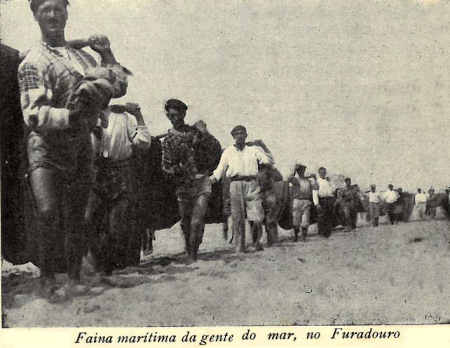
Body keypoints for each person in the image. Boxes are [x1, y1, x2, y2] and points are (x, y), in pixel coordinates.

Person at [18, 0, 128, 301]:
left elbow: (118, 87)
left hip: (80, 145)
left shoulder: (82, 57)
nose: (53, 15)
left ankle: (75, 278)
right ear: (35, 15)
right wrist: (73, 116)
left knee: (77, 215)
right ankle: (47, 279)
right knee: (48, 212)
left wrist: (106, 54)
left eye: (58, 8)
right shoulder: (33, 61)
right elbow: (34, 113)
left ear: (67, 11)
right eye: (45, 9)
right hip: (46, 146)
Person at [85, 102, 150, 275]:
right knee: (89, 219)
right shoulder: (88, 115)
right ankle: (97, 264)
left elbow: (143, 142)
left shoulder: (123, 118)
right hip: (95, 172)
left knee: (117, 223)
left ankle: (110, 266)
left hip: (120, 172)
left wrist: (138, 115)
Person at [161, 99, 222, 262]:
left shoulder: (196, 132)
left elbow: (216, 148)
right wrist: (178, 169)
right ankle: (190, 248)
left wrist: (206, 133)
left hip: (202, 181)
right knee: (185, 223)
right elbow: (166, 166)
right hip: (183, 185)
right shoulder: (168, 140)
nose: (174, 118)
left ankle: (193, 255)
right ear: (167, 115)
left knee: (196, 220)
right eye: (171, 115)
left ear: (184, 114)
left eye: (178, 114)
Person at [210, 125, 273, 253]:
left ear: (246, 135)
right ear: (233, 136)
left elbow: (268, 161)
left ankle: (256, 243)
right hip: (235, 184)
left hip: (252, 183)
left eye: (242, 133)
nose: (240, 136)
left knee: (256, 217)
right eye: (237, 134)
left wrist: (261, 149)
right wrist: (211, 180)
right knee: (237, 217)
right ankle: (240, 246)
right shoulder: (228, 151)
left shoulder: (253, 149)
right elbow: (220, 169)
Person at [288, 163, 313, 242]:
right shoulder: (295, 180)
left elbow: (314, 188)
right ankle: (295, 237)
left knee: (305, 220)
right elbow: (289, 179)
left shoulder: (308, 180)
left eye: (303, 170)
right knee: (296, 220)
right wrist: (294, 170)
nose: (301, 172)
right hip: (297, 201)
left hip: (306, 201)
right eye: (300, 170)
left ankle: (304, 237)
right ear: (298, 172)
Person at [312, 167, 335, 238]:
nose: (323, 174)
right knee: (321, 216)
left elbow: (333, 190)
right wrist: (316, 204)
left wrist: (330, 182)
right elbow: (314, 193)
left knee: (329, 216)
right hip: (322, 200)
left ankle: (328, 232)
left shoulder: (328, 181)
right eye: (321, 172)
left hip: (330, 200)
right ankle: (321, 232)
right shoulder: (317, 182)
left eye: (324, 172)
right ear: (319, 173)